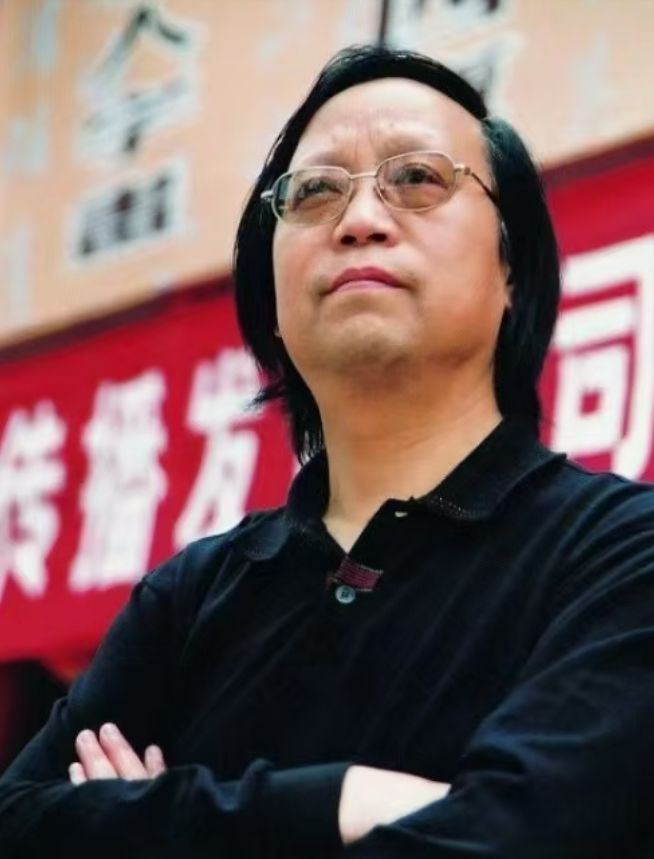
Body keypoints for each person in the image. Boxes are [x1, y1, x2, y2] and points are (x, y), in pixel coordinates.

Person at [2, 43, 654, 858]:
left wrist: (142, 822)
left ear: (512, 268)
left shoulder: (621, 554)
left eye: (417, 178)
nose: (360, 219)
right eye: (314, 191)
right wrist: (343, 800)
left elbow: (523, 837)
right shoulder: (190, 596)